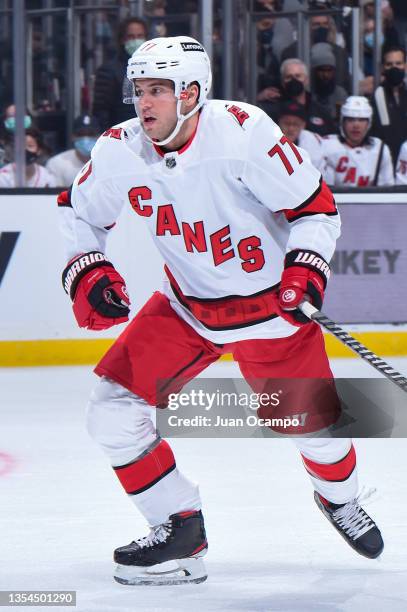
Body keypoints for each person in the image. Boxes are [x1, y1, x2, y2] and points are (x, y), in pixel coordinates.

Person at [58, 36, 383, 586]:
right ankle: (179, 529)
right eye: (140, 91)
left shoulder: (244, 131)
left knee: (315, 432)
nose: (145, 104)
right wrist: (87, 269)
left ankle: (341, 499)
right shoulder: (121, 148)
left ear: (191, 92)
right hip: (187, 307)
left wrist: (305, 268)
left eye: (158, 91)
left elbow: (316, 209)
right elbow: (79, 211)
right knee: (111, 410)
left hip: (270, 313)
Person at [321, 96, 394, 187]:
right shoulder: (326, 145)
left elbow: (387, 190)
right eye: (350, 119)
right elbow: (325, 189)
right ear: (342, 122)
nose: (356, 125)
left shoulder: (380, 148)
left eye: (362, 120)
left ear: (369, 123)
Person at [92, 17, 149, 131]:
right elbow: (101, 112)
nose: (136, 40)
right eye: (131, 37)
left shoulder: (152, 67)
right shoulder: (109, 70)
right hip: (123, 133)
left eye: (140, 36)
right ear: (122, 40)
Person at [258, 58, 336, 136]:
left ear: (306, 80)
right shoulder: (271, 110)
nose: (294, 80)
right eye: (288, 77)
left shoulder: (321, 111)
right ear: (282, 82)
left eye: (298, 76)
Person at [370, 45, 407, 165]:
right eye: (389, 64)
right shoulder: (375, 97)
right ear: (382, 68)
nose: (394, 68)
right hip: (384, 163)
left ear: (405, 66)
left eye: (398, 63)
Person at [46, 115, 101, 187]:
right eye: (80, 134)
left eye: (91, 134)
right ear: (73, 137)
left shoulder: (109, 164)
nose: (86, 138)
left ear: (100, 136)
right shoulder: (56, 163)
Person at [278, 100, 324, 172]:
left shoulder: (311, 143)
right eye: (287, 123)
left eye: (296, 124)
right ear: (279, 123)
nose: (291, 128)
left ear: (303, 125)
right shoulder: (269, 140)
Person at [310, 43, 348, 123]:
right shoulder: (307, 93)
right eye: (321, 70)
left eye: (329, 70)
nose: (325, 75)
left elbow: (340, 121)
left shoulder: (340, 94)